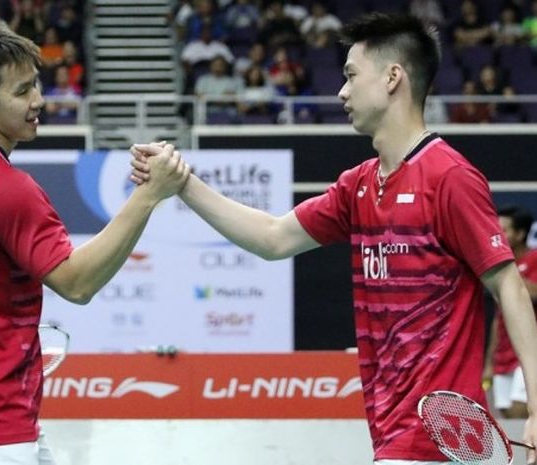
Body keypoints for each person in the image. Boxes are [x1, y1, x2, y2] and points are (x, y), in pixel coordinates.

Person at [131, 13, 537, 464]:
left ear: (392, 78)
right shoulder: (357, 185)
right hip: (387, 428)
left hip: (438, 435)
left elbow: (509, 287)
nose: (341, 91)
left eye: (350, 75)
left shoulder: (449, 177)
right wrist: (183, 183)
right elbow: (272, 238)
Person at [0, 20, 189, 465]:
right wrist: (148, 196)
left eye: (35, 85)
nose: (39, 100)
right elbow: (77, 284)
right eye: (22, 92)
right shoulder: (7, 188)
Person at [483, 206, 537, 418]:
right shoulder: (504, 266)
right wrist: (489, 362)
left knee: (521, 411)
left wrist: (507, 281)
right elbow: (498, 319)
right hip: (503, 354)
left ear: (520, 234)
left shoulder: (533, 260)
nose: (498, 234)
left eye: (504, 230)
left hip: (527, 352)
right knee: (509, 415)